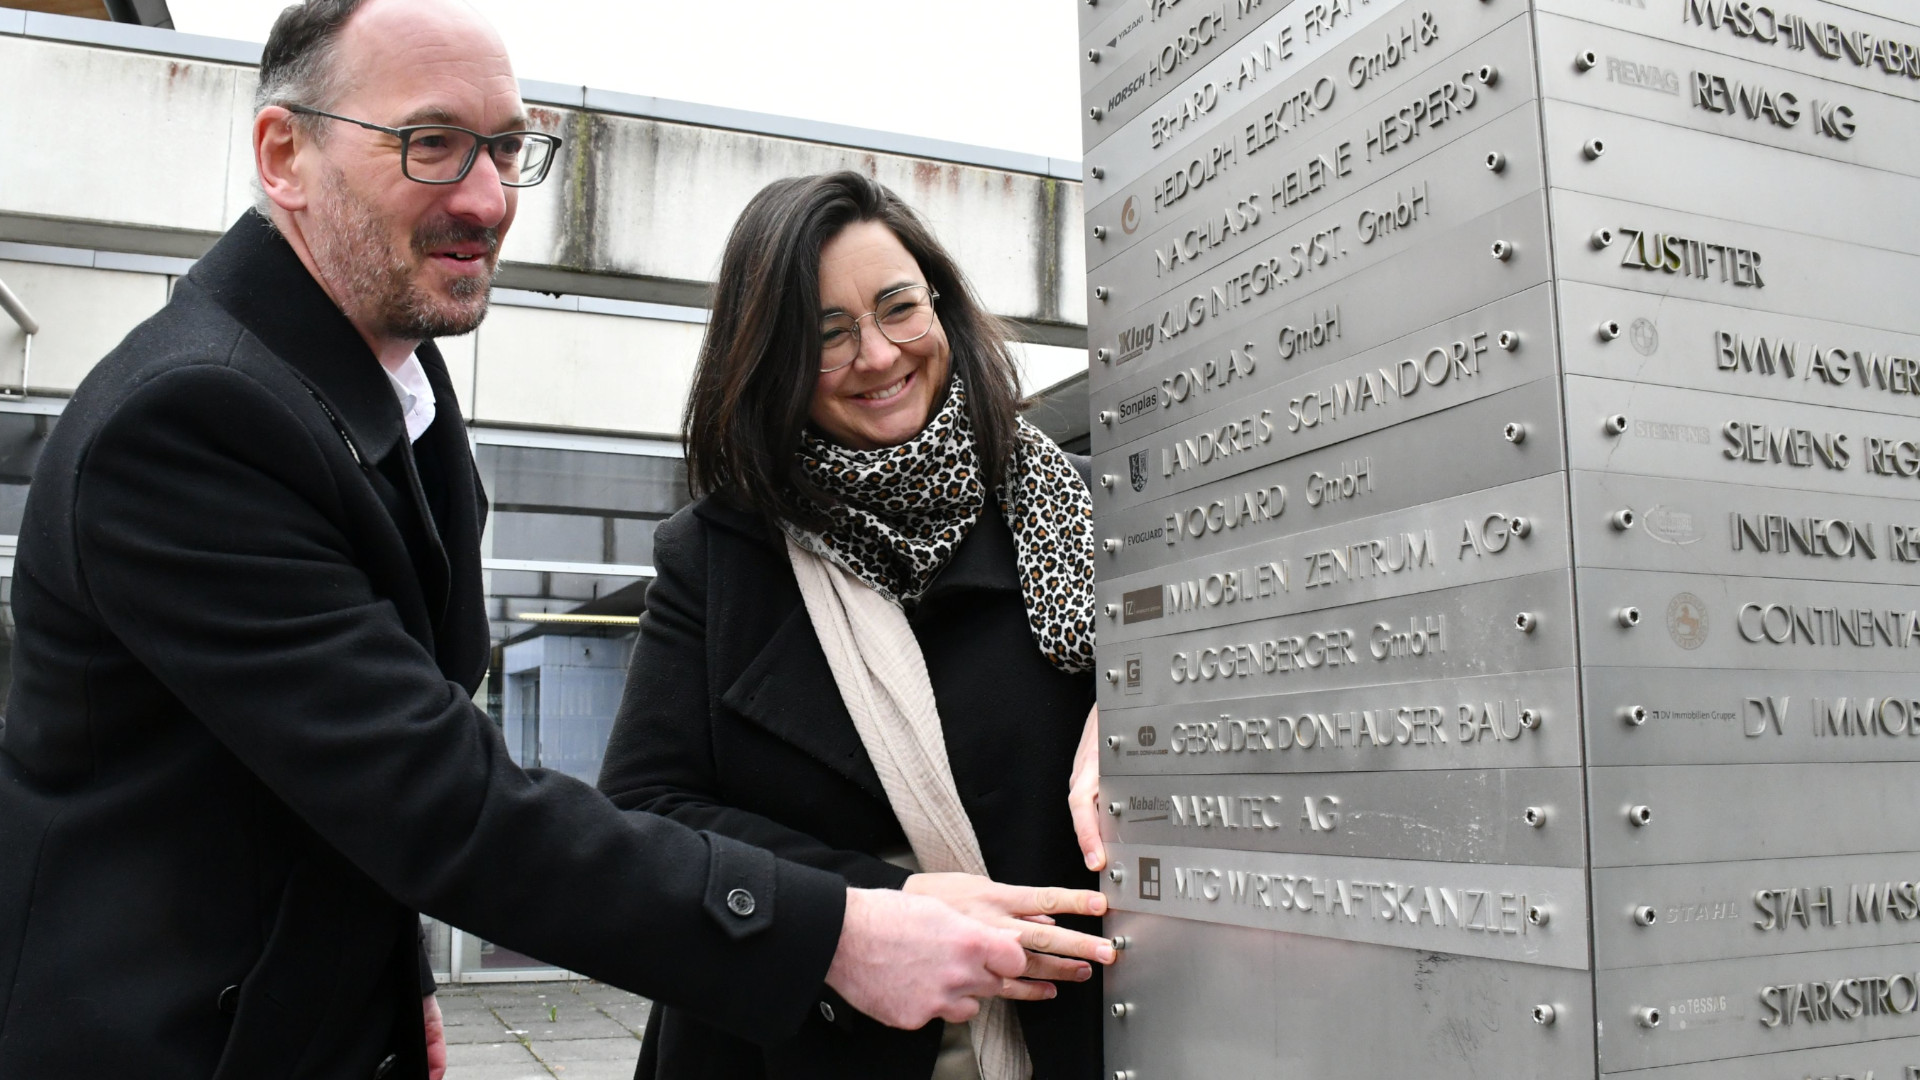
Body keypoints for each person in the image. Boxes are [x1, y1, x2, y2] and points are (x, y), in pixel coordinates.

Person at [0, 3, 1031, 1076]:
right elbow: (434, 795)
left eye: (504, 148)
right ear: (284, 155)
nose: (488, 198)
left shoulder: (393, 392)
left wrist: (387, 974)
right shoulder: (195, 420)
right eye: (431, 143)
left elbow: (320, 782)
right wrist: (838, 932)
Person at [598, 172, 1115, 1080]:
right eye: (826, 334)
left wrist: (1145, 709)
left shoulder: (1073, 514)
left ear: (941, 306)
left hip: (1075, 1039)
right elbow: (644, 813)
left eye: (898, 308)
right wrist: (875, 908)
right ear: (770, 359)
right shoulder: (718, 557)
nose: (877, 356)